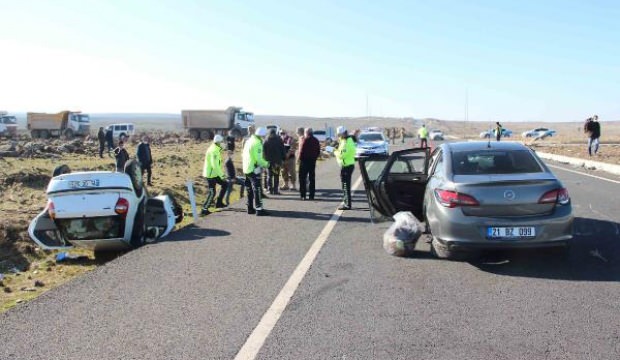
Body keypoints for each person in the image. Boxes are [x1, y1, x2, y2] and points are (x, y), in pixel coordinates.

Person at [242, 127, 270, 216]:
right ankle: (259, 209)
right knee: (257, 188)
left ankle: (250, 208)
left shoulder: (249, 140)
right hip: (253, 168)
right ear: (262, 135)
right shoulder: (257, 143)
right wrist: (267, 164)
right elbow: (259, 159)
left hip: (246, 168)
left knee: (249, 189)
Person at [201, 134, 228, 215]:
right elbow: (215, 165)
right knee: (212, 192)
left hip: (214, 173)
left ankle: (219, 203)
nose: (223, 143)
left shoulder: (215, 148)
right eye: (221, 142)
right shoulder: (214, 151)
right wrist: (222, 175)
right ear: (218, 142)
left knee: (225, 184)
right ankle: (204, 209)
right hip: (211, 175)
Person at [334, 126, 356, 210]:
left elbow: (342, 154)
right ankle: (346, 202)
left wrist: (334, 151)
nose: (339, 136)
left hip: (347, 166)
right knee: (344, 185)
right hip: (346, 165)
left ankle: (347, 204)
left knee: (346, 185)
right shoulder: (345, 140)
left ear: (343, 133)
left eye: (339, 134)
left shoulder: (347, 141)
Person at [298, 127, 321, 200]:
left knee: (302, 178)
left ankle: (303, 195)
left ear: (306, 133)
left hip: (304, 161)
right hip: (312, 161)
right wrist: (315, 158)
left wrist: (300, 159)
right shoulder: (316, 140)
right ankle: (311, 195)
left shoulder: (305, 140)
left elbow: (302, 151)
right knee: (312, 178)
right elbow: (318, 151)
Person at [262, 128, 286, 194]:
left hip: (270, 161)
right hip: (276, 162)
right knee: (274, 175)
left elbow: (263, 152)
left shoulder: (266, 140)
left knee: (271, 176)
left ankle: (271, 190)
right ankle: (274, 190)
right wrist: (283, 158)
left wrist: (263, 160)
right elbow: (282, 150)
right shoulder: (279, 140)